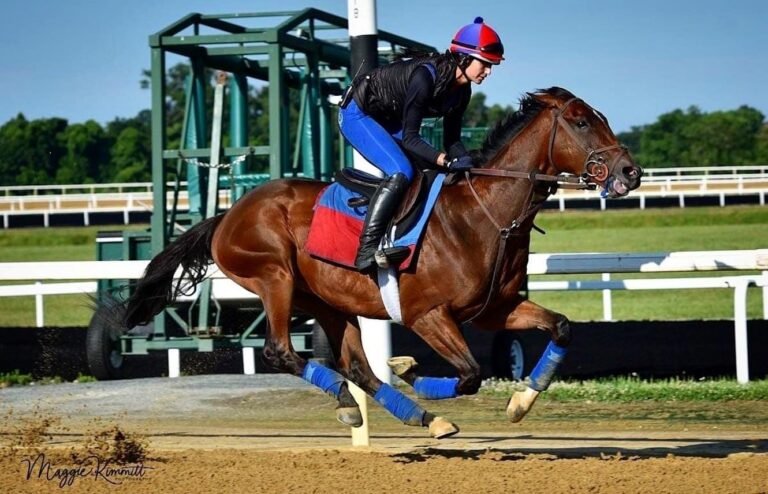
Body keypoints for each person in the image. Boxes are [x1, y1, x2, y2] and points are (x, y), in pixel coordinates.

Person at [338, 17, 505, 271]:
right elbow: (411, 139)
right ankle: (366, 250)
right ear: (464, 58)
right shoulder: (424, 77)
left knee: (433, 172)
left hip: (389, 119)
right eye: (485, 64)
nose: (488, 71)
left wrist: (470, 162)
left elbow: (452, 141)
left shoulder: (463, 92)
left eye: (491, 65)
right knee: (402, 170)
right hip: (358, 113)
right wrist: (446, 160)